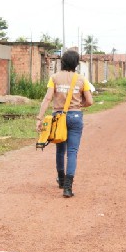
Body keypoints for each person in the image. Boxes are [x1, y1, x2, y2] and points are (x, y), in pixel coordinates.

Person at [36, 50, 94, 198]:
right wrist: (79, 105)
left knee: (60, 151)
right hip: (75, 116)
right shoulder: (81, 79)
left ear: (62, 62)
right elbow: (90, 101)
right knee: (72, 152)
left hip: (58, 117)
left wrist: (39, 118)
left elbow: (48, 98)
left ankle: (61, 180)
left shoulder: (54, 78)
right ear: (76, 63)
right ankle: (68, 188)